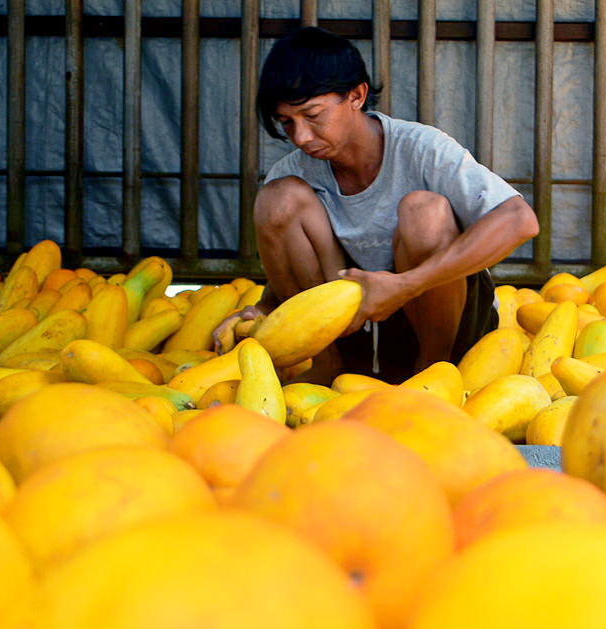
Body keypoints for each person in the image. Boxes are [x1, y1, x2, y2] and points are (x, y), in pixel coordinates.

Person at [216, 26, 539, 383]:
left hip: (448, 331)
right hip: (355, 330)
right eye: (288, 123)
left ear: (356, 95)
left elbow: (520, 220)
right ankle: (328, 368)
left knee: (424, 212)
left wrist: (405, 285)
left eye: (313, 115)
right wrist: (262, 309)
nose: (301, 138)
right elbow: (292, 275)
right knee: (277, 199)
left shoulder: (423, 148)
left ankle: (431, 374)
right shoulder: (292, 173)